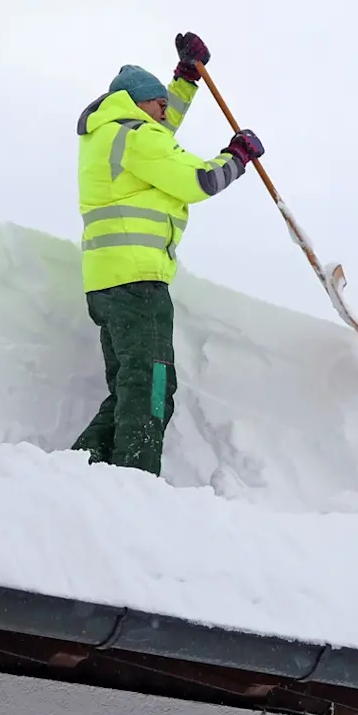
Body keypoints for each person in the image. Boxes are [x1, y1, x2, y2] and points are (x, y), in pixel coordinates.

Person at [70, 32, 264, 476]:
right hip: (138, 282)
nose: (164, 110)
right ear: (139, 104)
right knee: (152, 387)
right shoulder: (138, 139)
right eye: (159, 102)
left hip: (107, 283)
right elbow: (198, 180)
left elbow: (161, 128)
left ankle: (75, 473)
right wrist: (236, 157)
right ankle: (133, 482)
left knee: (129, 387)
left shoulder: (110, 134)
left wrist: (185, 79)